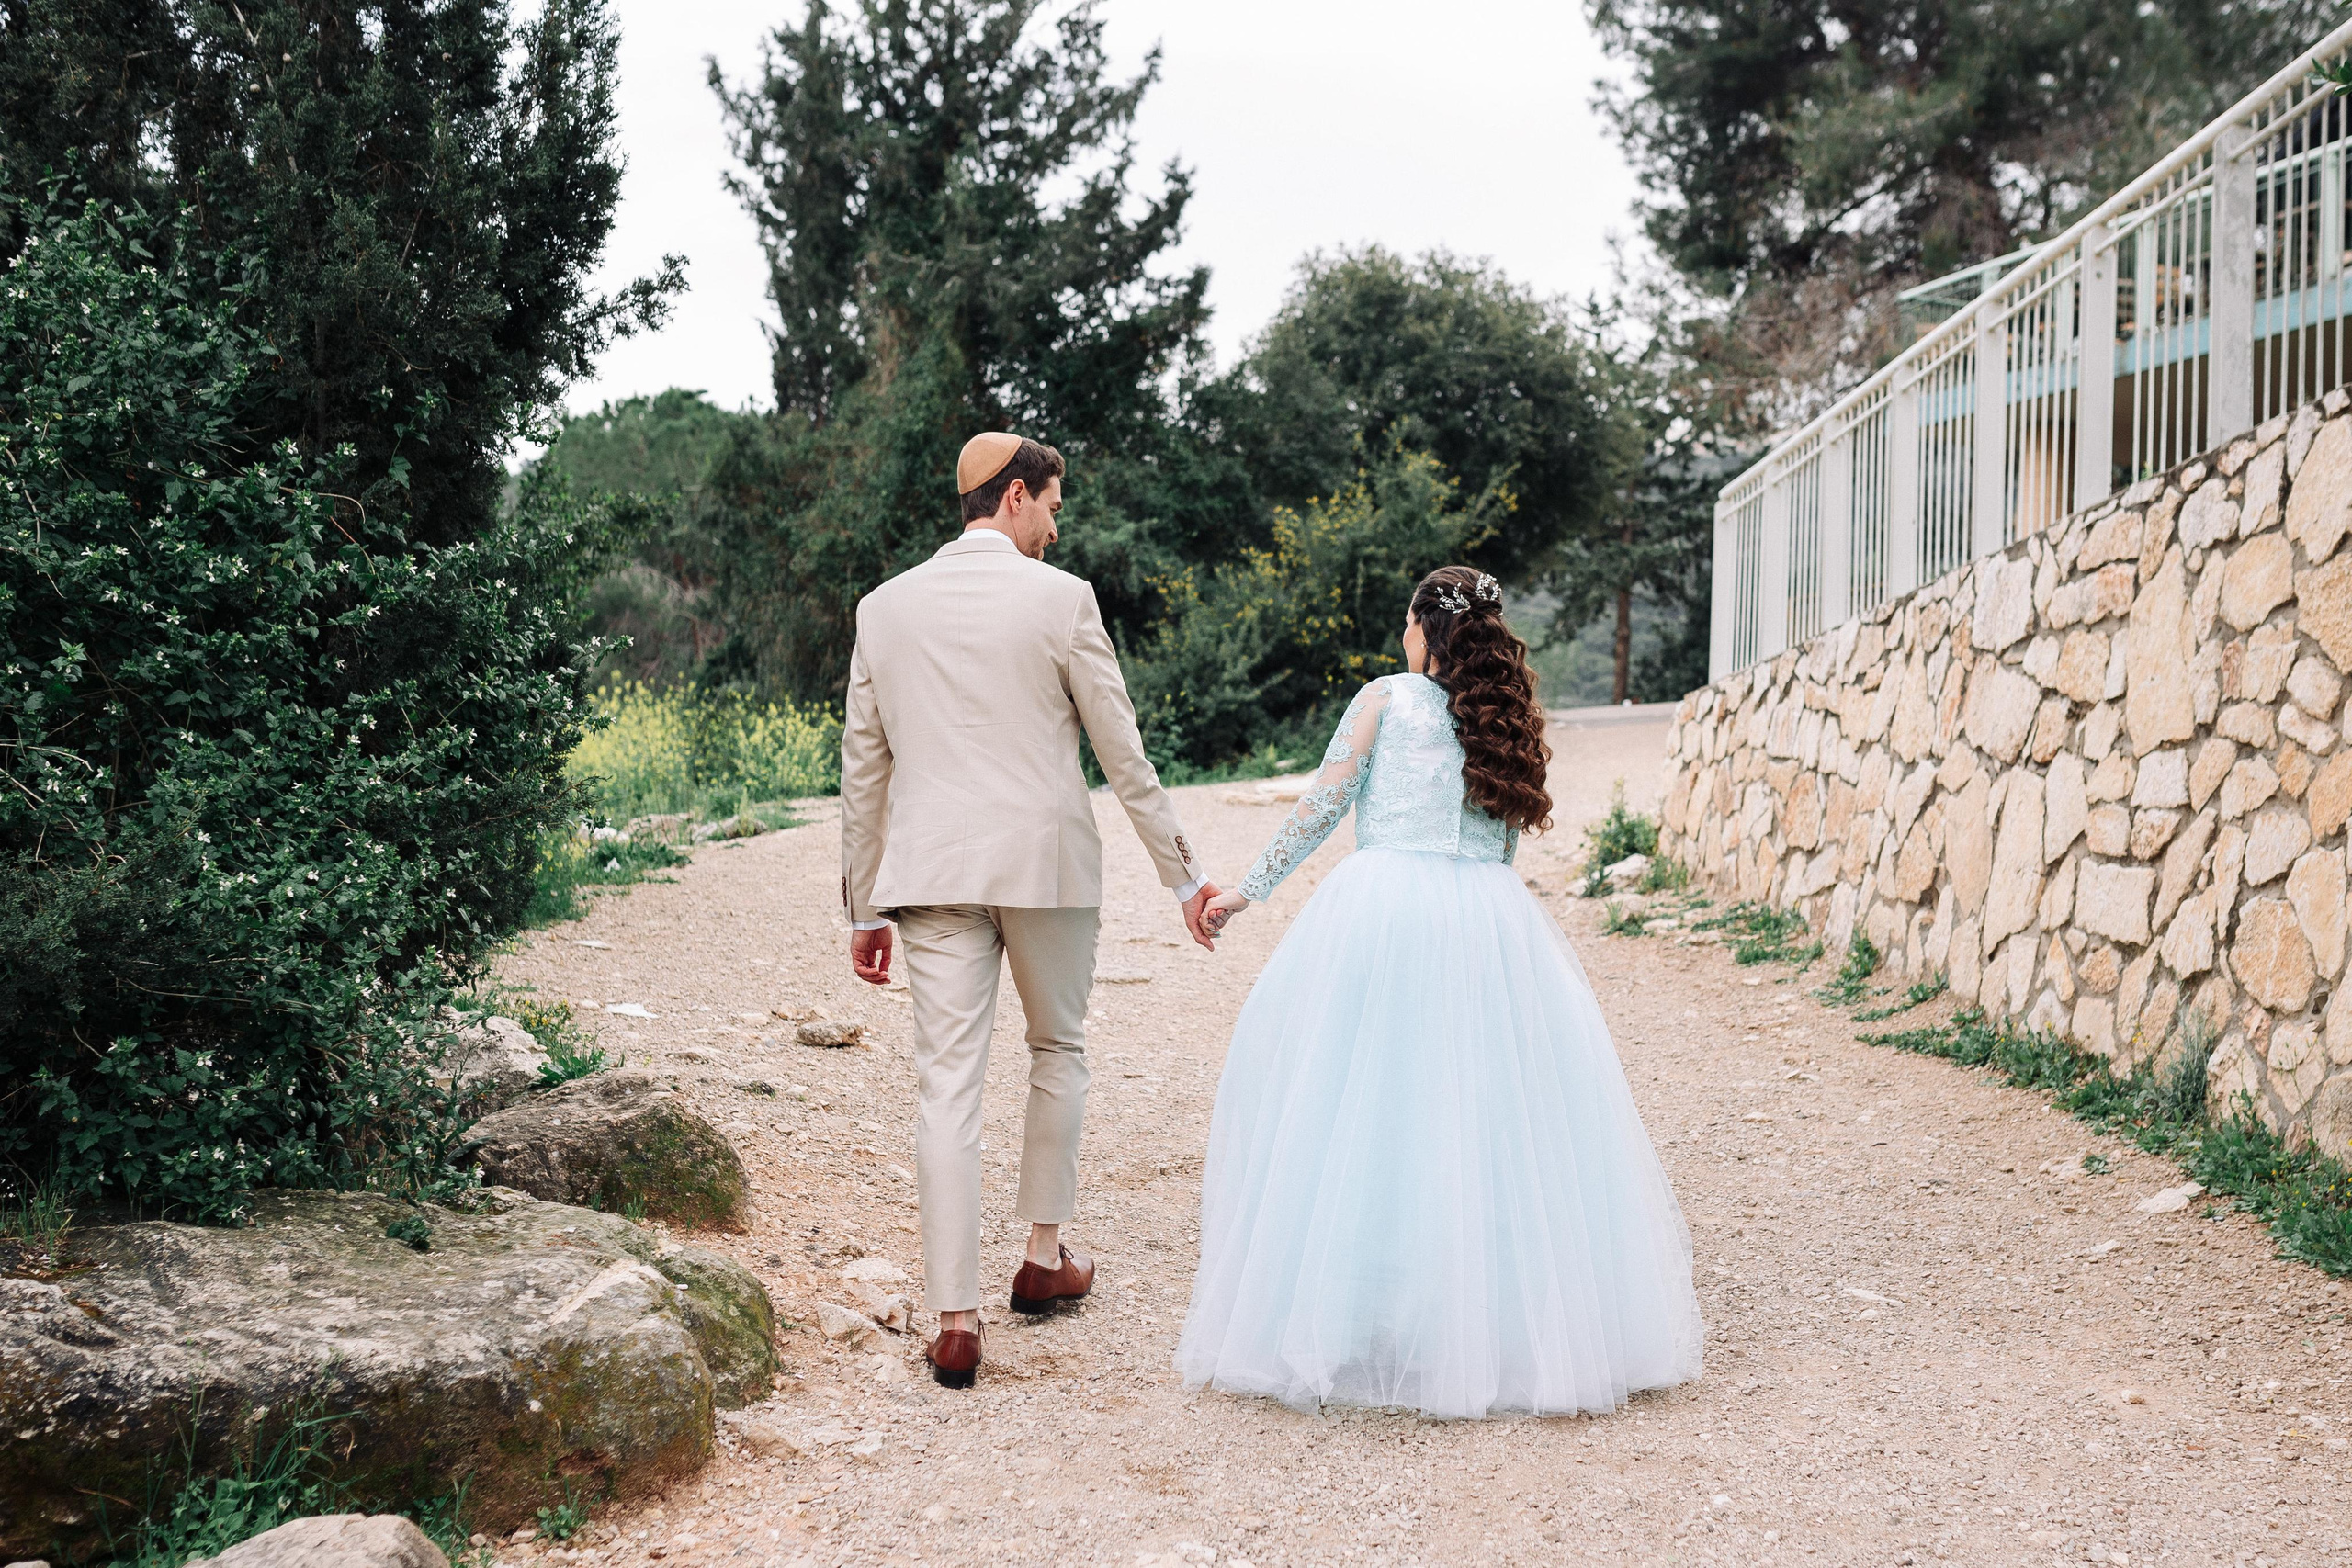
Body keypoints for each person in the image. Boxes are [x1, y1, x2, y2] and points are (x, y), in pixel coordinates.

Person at [1175, 565, 1702, 1418]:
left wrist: (1248, 889)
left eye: (1406, 619)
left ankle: (1362, 1316)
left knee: (1365, 1108)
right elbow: (1501, 849)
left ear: (1425, 624)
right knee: (1481, 1117)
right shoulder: (1505, 718)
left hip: (1382, 912)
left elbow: (1322, 805)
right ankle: (1482, 1324)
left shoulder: (1387, 696)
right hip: (1487, 918)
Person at [839, 431, 1223, 1389]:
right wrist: (1183, 878)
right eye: (1052, 503)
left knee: (945, 1086)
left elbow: (863, 769)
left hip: (929, 879)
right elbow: (1121, 752)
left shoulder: (883, 610)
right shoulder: (1062, 601)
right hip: (1047, 868)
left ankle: (956, 1320)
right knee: (1056, 1050)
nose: (1055, 524)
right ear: (1013, 497)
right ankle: (1043, 1262)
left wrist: (862, 908)